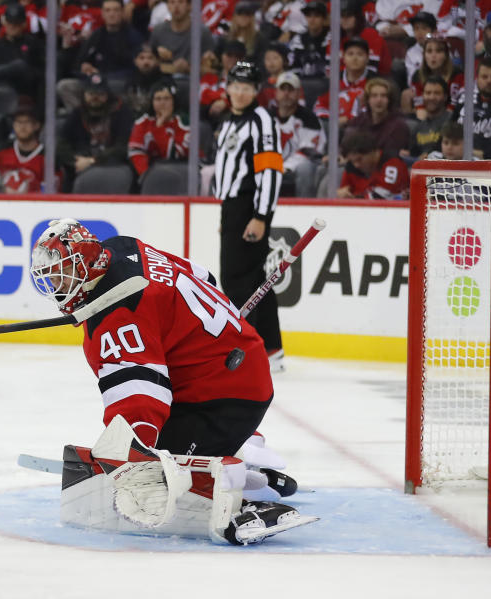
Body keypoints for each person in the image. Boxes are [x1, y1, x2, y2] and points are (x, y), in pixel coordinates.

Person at [28, 218, 312, 543]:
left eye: (63, 275)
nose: (58, 286)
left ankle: (236, 502)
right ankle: (245, 463)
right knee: (166, 452)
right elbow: (205, 277)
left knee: (161, 473)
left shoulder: (116, 315)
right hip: (235, 364)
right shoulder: (123, 248)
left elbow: (139, 399)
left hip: (224, 394)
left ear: (88, 265)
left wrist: (134, 457)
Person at [213, 62, 284, 371]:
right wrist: (225, 213)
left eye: (247, 88)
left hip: (249, 207)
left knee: (237, 281)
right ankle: (271, 350)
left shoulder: (262, 121)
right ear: (227, 87)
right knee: (256, 280)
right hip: (233, 207)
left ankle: (245, 353)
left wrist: (260, 216)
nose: (240, 93)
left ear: (257, 91)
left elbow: (270, 171)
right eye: (235, 87)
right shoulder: (229, 121)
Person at [57, 0, 143, 111]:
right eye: (108, 10)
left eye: (116, 10)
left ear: (122, 12)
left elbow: (136, 68)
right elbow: (79, 63)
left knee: (120, 88)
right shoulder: (96, 35)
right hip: (93, 82)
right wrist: (85, 68)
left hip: (119, 82)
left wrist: (103, 77)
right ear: (102, 13)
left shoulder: (133, 36)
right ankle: (84, 118)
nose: (112, 14)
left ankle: (112, 118)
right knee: (65, 86)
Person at [56, 72, 132, 191]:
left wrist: (93, 160)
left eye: (100, 94)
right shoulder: (78, 113)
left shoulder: (121, 112)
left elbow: (124, 147)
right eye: (91, 93)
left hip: (113, 166)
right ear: (84, 94)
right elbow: (61, 144)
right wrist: (74, 161)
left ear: (107, 95)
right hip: (79, 165)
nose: (95, 98)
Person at [0, 103, 50, 193]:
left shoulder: (47, 157)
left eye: (27, 122)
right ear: (13, 125)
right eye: (18, 122)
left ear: (37, 125)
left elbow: (53, 193)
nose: (22, 126)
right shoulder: (0, 152)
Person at [272, 72, 324, 198]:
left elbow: (308, 152)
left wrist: (284, 168)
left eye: (291, 90)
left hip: (296, 168)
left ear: (299, 93)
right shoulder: (266, 117)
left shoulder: (309, 119)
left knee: (305, 168)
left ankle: (304, 208)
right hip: (270, 165)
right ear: (276, 93)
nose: (286, 94)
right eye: (283, 89)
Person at [127, 78, 189, 180]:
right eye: (158, 99)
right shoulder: (143, 122)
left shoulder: (184, 123)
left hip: (178, 173)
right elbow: (136, 152)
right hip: (149, 175)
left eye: (166, 98)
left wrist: (160, 127)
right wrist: (147, 176)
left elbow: (173, 155)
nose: (162, 103)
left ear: (174, 101)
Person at [344, 78, 411, 158]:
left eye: (383, 96)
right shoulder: (359, 120)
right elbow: (347, 147)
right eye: (374, 96)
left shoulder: (398, 125)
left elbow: (390, 154)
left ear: (389, 100)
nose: (379, 100)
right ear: (368, 100)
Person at [148, 0, 215, 78]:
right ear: (168, 6)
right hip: (165, 82)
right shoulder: (158, 31)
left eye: (181, 2)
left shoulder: (202, 32)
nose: (176, 6)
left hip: (195, 82)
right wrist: (161, 59)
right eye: (172, 2)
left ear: (189, 6)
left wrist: (188, 68)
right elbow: (149, 63)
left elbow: (212, 70)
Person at [337, 130, 409, 199]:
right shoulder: (351, 167)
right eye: (352, 161)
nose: (356, 165)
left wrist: (352, 199)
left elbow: (383, 197)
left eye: (359, 159)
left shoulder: (393, 164)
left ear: (373, 152)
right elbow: (343, 192)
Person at [404, 76, 452, 160]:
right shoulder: (418, 127)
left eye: (436, 93)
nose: (431, 97)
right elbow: (413, 154)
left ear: (445, 97)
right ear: (422, 96)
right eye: (428, 93)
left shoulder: (452, 121)